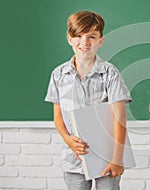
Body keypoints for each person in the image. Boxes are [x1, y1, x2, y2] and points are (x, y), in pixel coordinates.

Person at [45, 10, 131, 190]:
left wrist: (117, 158)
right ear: (70, 39)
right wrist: (67, 139)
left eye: (91, 37)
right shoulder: (58, 75)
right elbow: (58, 116)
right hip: (72, 156)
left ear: (101, 41)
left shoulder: (110, 73)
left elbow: (119, 118)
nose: (84, 42)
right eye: (78, 36)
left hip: (107, 156)